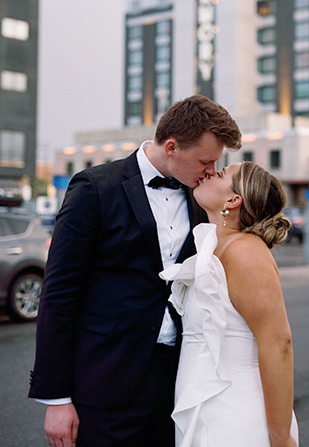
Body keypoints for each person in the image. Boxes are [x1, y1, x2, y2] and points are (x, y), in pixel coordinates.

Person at [28, 95, 241, 447]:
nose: (211, 170)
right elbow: (58, 294)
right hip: (104, 381)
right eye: (206, 160)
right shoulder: (95, 188)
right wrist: (57, 399)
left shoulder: (200, 197)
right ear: (172, 147)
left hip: (176, 380)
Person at [161, 161, 299, 447]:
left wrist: (280, 438)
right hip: (205, 404)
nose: (211, 172)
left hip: (236, 415)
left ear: (233, 200)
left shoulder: (245, 252)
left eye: (221, 173)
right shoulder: (218, 247)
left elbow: (278, 344)